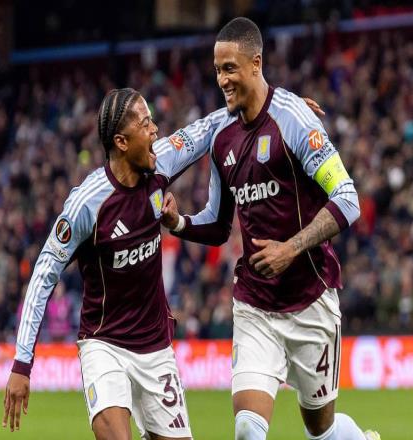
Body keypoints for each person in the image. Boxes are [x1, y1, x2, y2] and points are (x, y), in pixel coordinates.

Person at [161, 17, 380, 440]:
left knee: (320, 429)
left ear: (256, 63)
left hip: (311, 298)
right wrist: (179, 222)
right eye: (217, 70)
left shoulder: (294, 119)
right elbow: (218, 224)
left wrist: (290, 248)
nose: (222, 80)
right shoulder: (221, 138)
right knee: (247, 428)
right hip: (255, 304)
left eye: (230, 68)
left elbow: (347, 199)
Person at [2, 88, 232, 439]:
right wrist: (22, 363)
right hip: (104, 345)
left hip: (156, 349)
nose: (155, 130)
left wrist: (272, 106)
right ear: (122, 142)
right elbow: (43, 275)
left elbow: (206, 128)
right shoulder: (87, 204)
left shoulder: (161, 161)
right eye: (146, 123)